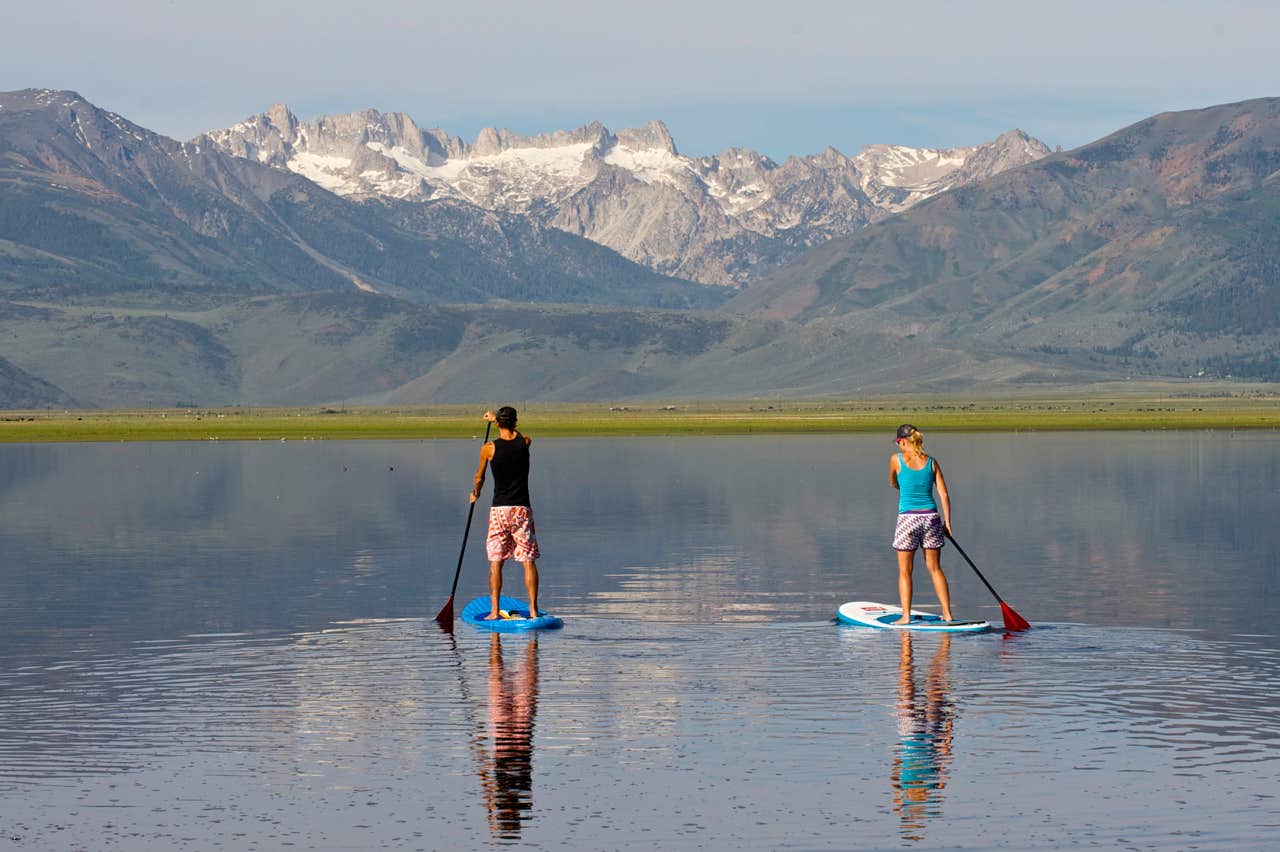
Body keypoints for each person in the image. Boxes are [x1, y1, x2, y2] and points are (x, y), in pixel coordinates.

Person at [471, 407, 541, 619]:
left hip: (500, 510)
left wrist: (476, 494)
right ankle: (533, 610)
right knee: (528, 560)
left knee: (496, 560)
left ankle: (494, 611)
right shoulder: (525, 443)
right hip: (522, 509)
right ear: (516, 422)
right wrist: (498, 421)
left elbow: (478, 477)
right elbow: (519, 437)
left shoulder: (488, 449)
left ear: (499, 424)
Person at [889, 424, 954, 624]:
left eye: (898, 442)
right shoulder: (931, 462)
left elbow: (893, 482)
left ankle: (906, 616)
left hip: (908, 519)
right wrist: (947, 522)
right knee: (935, 568)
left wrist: (903, 484)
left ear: (901, 441)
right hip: (931, 518)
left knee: (904, 570)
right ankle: (948, 614)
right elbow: (943, 494)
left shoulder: (896, 459)